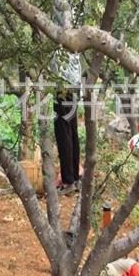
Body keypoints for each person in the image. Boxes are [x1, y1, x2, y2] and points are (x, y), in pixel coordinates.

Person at [51, 51, 82, 195]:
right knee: (71, 132)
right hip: (73, 85)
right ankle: (74, 177)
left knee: (64, 135)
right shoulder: (75, 31)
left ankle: (68, 181)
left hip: (62, 85)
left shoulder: (60, 33)